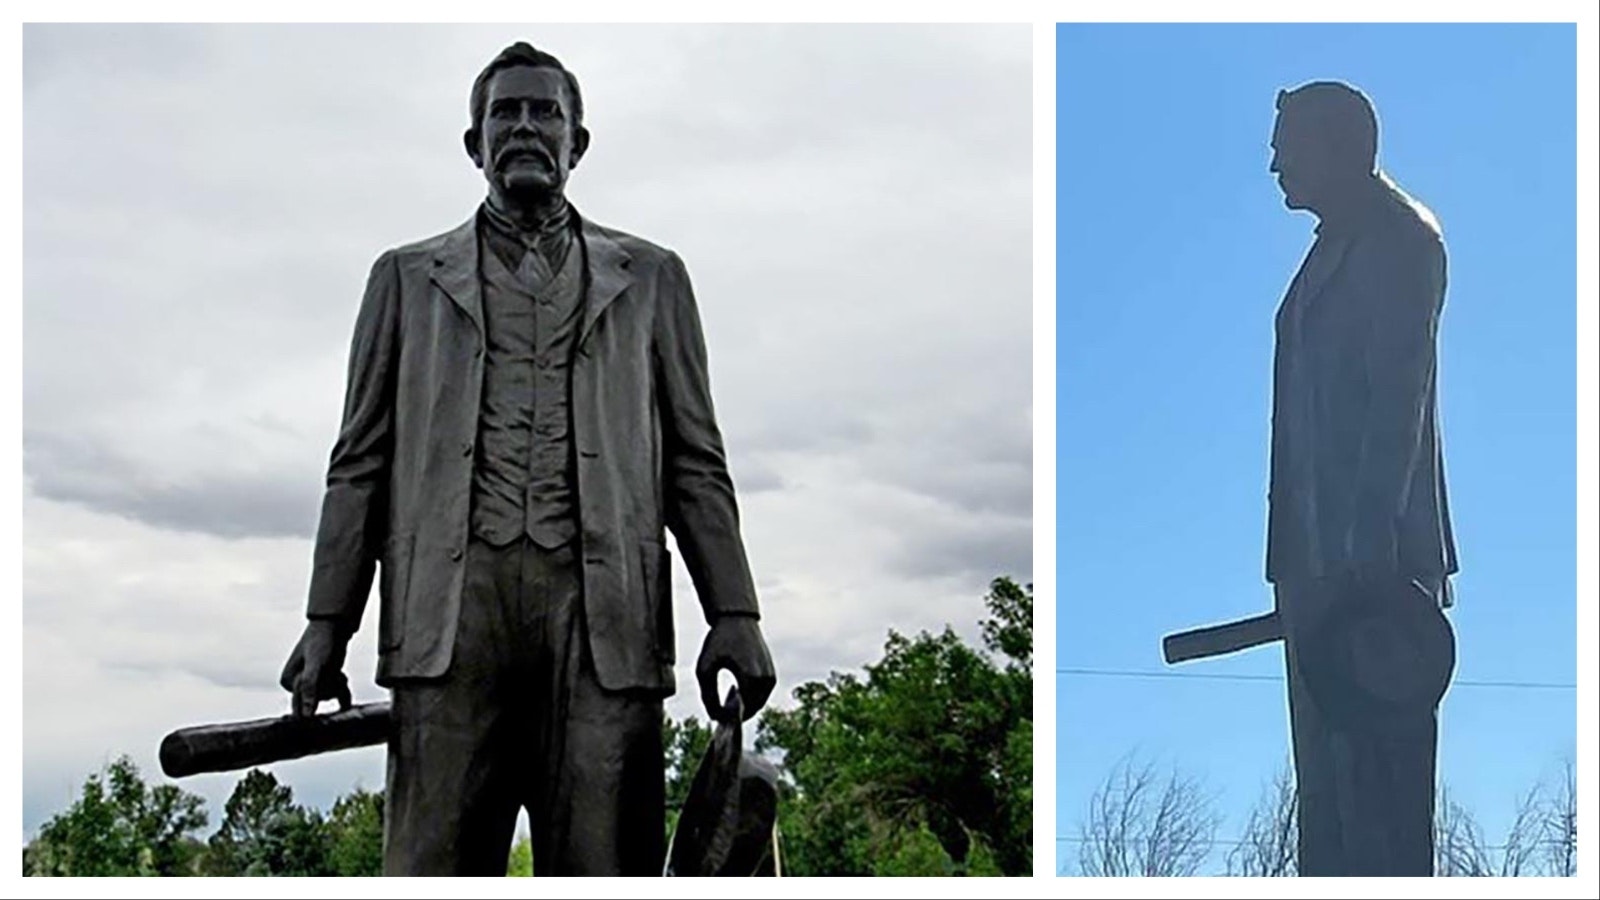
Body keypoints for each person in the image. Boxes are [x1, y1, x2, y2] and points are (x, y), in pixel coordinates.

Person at [277, 41, 776, 876]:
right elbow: (359, 460)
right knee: (431, 868)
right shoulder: (404, 280)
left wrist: (736, 612)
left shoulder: (651, 280)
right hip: (447, 624)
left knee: (605, 867)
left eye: (546, 112)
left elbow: (695, 461)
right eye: (504, 113)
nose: (524, 127)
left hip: (604, 627)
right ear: (473, 144)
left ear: (578, 142)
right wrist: (329, 622)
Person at [1264, 81, 1458, 876]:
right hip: (1311, 562)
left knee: (1379, 806)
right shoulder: (1323, 256)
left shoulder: (1398, 238)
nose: (1274, 161)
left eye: (1288, 144)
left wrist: (1370, 544)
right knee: (1327, 811)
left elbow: (1398, 393)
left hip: (1373, 567)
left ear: (1341, 145)